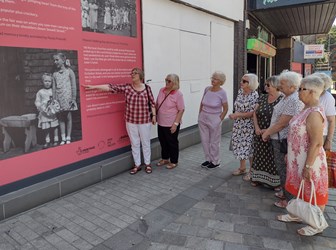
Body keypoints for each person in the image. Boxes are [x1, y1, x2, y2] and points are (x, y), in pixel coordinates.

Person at [277, 75, 328, 236]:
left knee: (312, 190)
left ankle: (317, 223)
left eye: (302, 89)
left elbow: (317, 142)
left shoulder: (314, 113)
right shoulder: (305, 109)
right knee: (299, 188)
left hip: (309, 161)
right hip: (297, 159)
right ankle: (297, 215)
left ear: (312, 92)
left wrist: (307, 166)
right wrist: (290, 155)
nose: (299, 92)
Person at [83, 68, 156, 174]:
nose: (132, 75)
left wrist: (154, 115)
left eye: (135, 73)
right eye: (131, 73)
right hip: (131, 121)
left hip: (145, 121)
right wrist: (93, 87)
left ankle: (148, 164)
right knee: (134, 143)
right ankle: (137, 165)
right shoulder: (127, 87)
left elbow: (152, 103)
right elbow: (110, 87)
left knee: (145, 142)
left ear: (140, 76)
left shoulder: (147, 88)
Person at [262, 71, 304, 208]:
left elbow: (283, 122)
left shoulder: (293, 99)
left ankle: (288, 200)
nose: (280, 85)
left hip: (283, 140)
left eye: (283, 83)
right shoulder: (287, 97)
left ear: (292, 86)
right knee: (281, 167)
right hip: (279, 137)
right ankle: (285, 193)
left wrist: (267, 132)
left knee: (284, 169)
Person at [250, 76, 283, 187]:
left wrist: (268, 131)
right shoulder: (263, 97)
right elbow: (255, 113)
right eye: (265, 84)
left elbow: (281, 119)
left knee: (272, 157)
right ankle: (258, 179)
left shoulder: (282, 99)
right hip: (259, 133)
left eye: (268, 85)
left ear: (275, 86)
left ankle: (273, 183)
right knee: (258, 155)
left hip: (273, 133)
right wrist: (257, 128)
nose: (265, 87)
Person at [230, 74, 259, 178]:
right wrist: (235, 114)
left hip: (248, 125)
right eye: (242, 80)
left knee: (249, 148)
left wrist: (237, 115)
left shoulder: (254, 95)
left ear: (251, 83)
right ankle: (242, 168)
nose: (241, 82)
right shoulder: (240, 92)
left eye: (244, 81)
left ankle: (251, 171)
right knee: (239, 146)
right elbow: (237, 106)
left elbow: (252, 113)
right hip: (238, 125)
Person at [198, 71, 228, 169]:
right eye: (212, 78)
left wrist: (219, 119)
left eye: (215, 79)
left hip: (215, 118)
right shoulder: (207, 89)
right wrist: (199, 115)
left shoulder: (222, 92)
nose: (212, 80)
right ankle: (208, 159)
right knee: (204, 140)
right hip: (203, 117)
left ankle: (215, 161)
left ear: (220, 81)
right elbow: (202, 103)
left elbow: (225, 108)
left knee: (214, 141)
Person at [156, 74, 185, 169]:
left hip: (171, 123)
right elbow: (157, 104)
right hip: (161, 122)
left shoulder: (178, 94)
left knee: (172, 142)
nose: (166, 82)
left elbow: (181, 109)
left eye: (169, 81)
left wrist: (175, 124)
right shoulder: (161, 90)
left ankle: (174, 161)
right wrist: (154, 116)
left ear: (175, 82)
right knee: (163, 141)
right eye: (166, 80)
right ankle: (165, 158)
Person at [52, 53, 77, 145]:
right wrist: (54, 100)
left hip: (68, 98)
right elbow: (54, 88)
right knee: (61, 118)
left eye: (57, 60)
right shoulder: (54, 74)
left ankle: (68, 137)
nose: (55, 62)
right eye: (54, 60)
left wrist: (73, 98)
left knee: (68, 117)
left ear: (63, 60)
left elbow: (73, 86)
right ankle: (63, 137)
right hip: (59, 99)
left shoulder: (69, 72)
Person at [35, 73, 59, 149]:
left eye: (49, 81)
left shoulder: (53, 91)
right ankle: (47, 141)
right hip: (44, 112)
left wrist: (56, 106)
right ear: (42, 82)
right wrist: (39, 106)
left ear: (52, 82)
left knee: (54, 126)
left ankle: (56, 139)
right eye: (46, 81)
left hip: (52, 111)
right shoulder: (40, 92)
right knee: (46, 127)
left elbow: (56, 100)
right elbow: (37, 101)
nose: (47, 83)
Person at [312, 72, 335, 151]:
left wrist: (329, 140)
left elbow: (332, 120)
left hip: (321, 135)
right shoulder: (312, 95)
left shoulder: (328, 98)